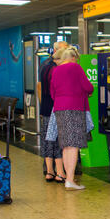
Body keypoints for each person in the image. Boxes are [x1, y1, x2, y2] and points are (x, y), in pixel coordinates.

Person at [50, 46, 93, 191]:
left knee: (66, 145)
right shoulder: (75, 68)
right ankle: (69, 180)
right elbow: (88, 87)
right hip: (74, 108)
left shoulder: (56, 70)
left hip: (59, 109)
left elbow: (52, 92)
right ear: (73, 58)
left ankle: (69, 178)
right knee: (74, 145)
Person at [38, 47, 67, 183]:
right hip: (56, 108)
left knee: (47, 140)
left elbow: (40, 87)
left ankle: (49, 171)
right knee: (57, 140)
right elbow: (59, 90)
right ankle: (60, 172)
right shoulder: (57, 70)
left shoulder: (44, 67)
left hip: (45, 107)